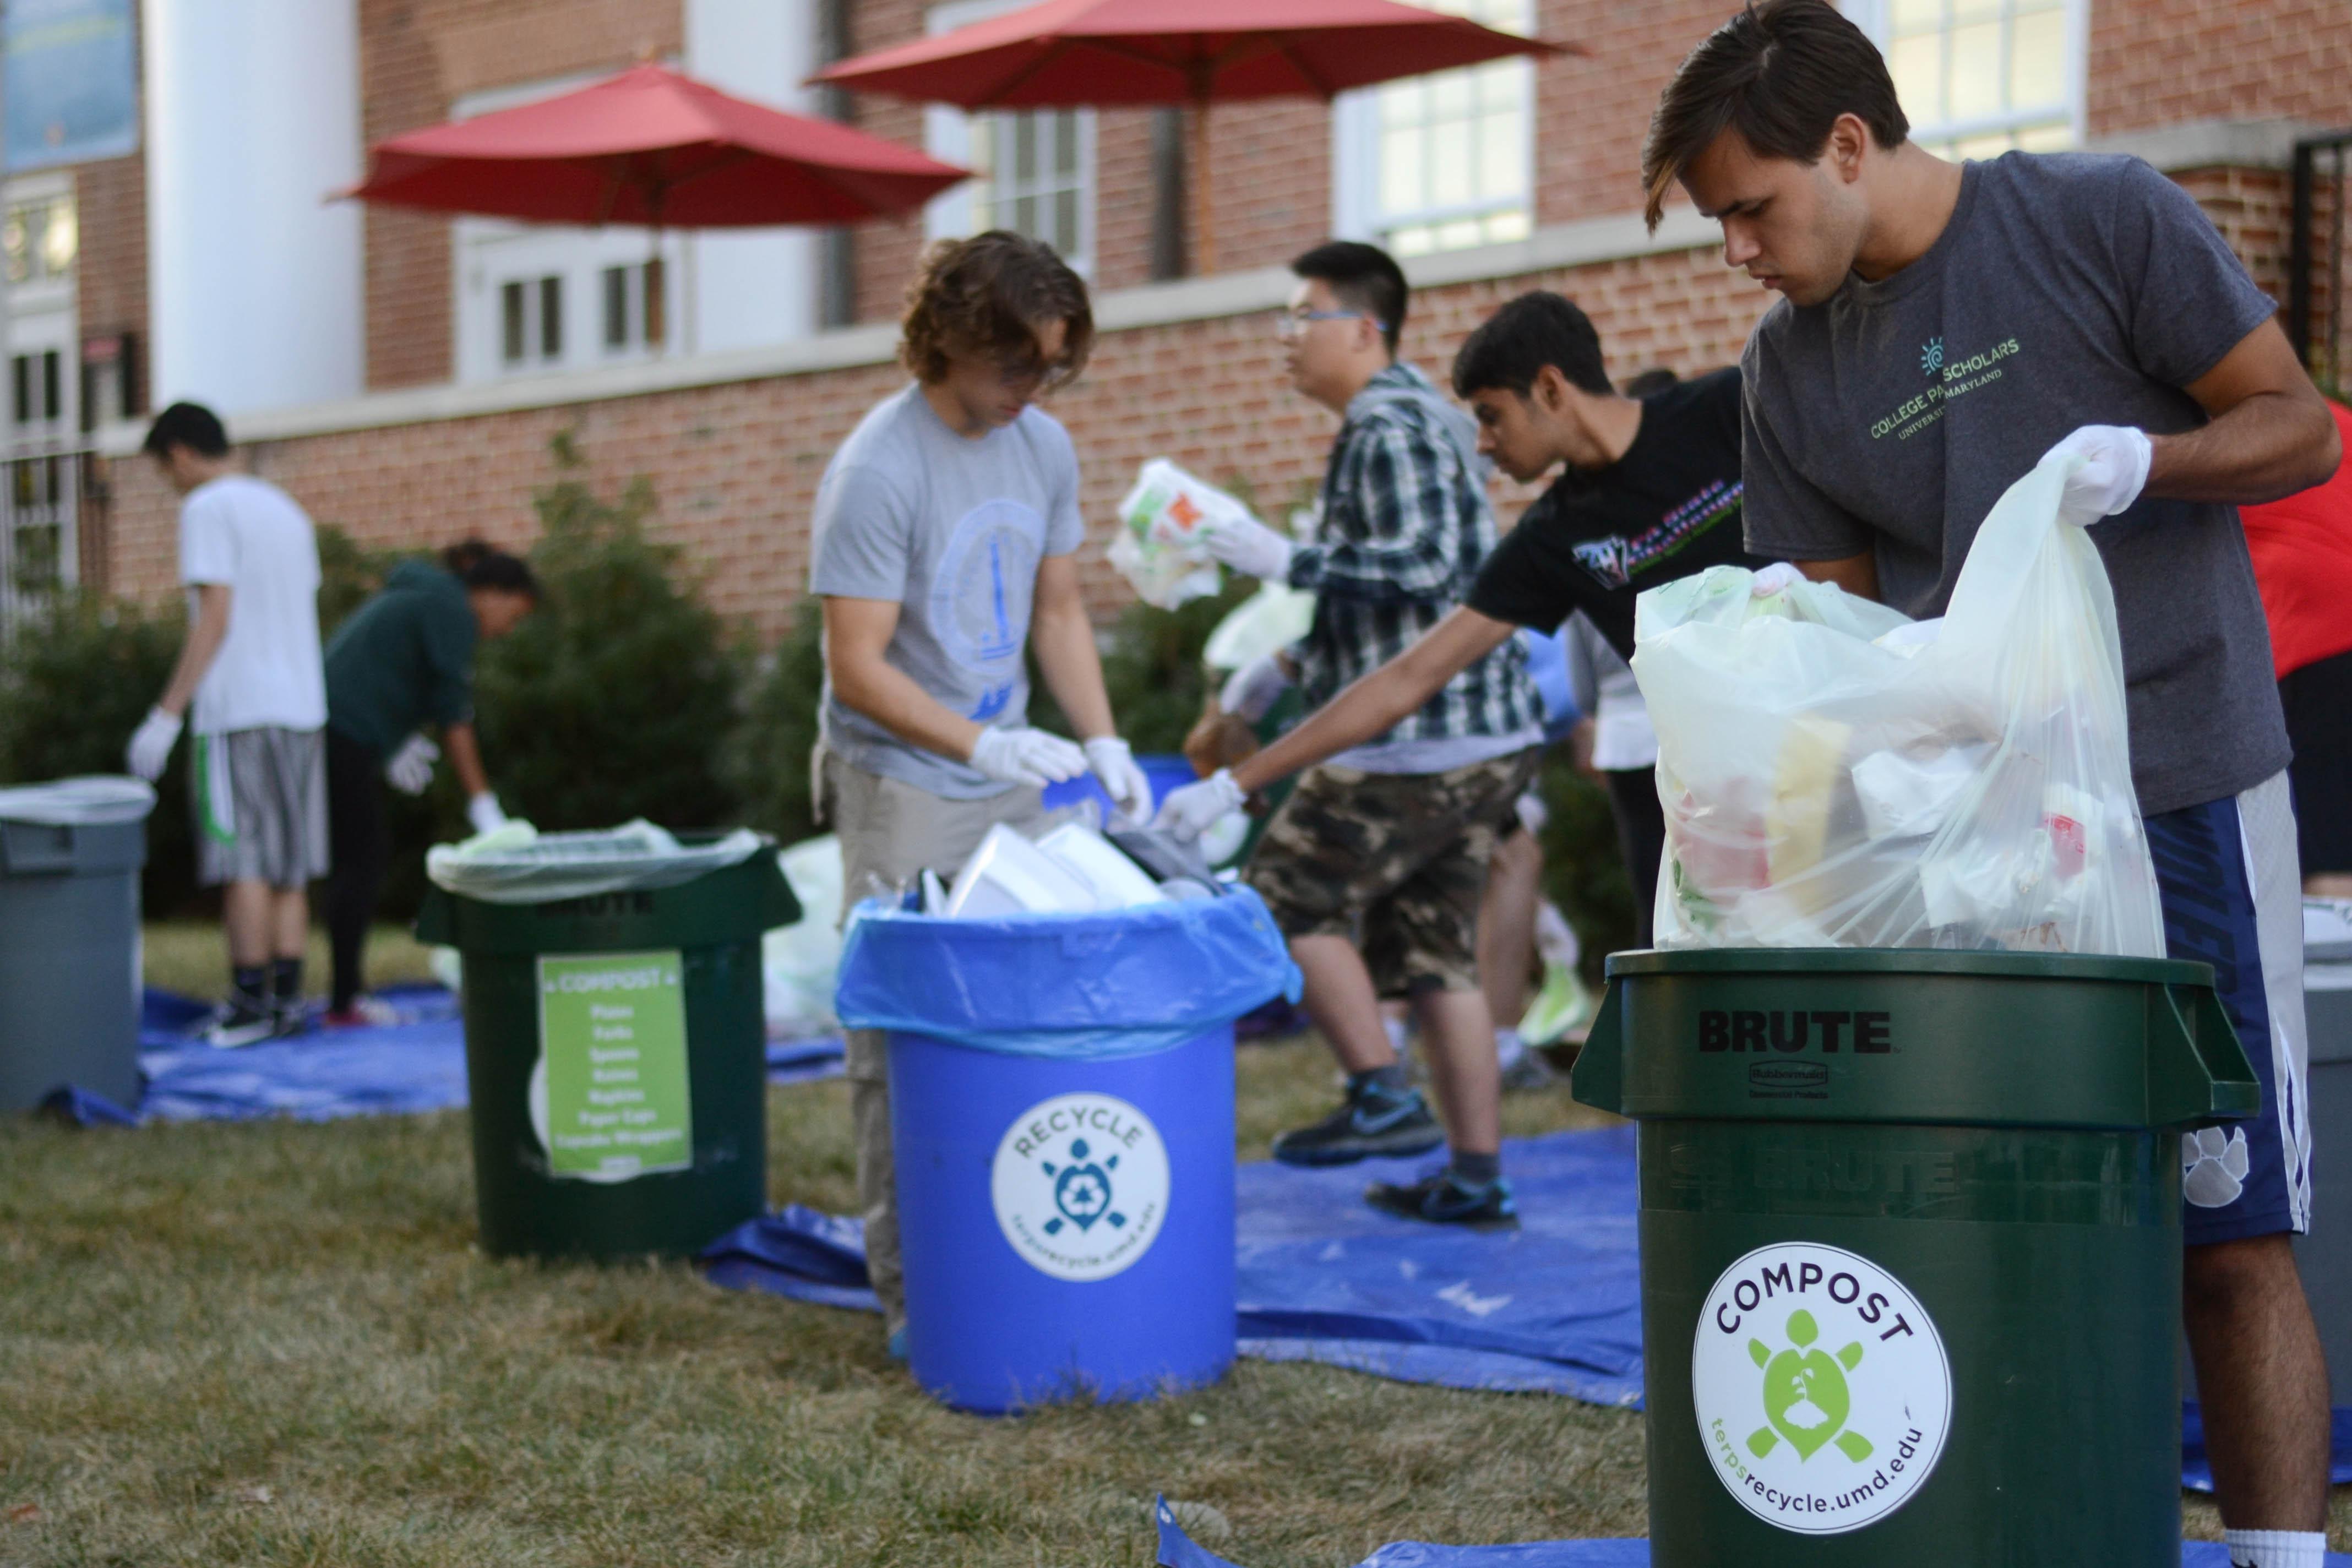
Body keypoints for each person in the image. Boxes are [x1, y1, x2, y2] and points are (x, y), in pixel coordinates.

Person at [1641, 4, 2340, 1562]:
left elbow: (2297, 428)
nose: (1740, 253)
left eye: (1752, 208)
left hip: (2180, 789)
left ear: (1847, 142)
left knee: (2230, 1224)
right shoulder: (1786, 373)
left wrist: (2145, 465)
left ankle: (2285, 1557)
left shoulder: (2096, 217)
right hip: (1977, 841)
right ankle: (2031, 1521)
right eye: (1720, 225)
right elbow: (1836, 637)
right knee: (2006, 1196)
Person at [1158, 290, 1758, 962]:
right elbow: (1408, 677)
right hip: (1709, 782)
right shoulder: (1554, 536)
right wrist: (1234, 782)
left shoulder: (1725, 410)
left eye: (1491, 415)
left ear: (1551, 388)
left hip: (1828, 734)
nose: (1483, 442)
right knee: (1697, 963)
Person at [811, 230, 1152, 1354]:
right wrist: (978, 743)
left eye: (1052, 367)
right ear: (949, 342)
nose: (1034, 390)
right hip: (903, 777)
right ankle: (917, 1298)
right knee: (901, 1033)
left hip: (1004, 764)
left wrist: (1102, 743)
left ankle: (1022, 1243)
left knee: (1038, 999)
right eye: (1016, 365)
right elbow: (855, 662)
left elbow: (1058, 610)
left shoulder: (1041, 445)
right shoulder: (878, 468)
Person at [1172, 240, 1546, 1229]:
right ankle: (1473, 1176)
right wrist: (1269, 673)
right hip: (1475, 737)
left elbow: (1429, 567)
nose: (1284, 339)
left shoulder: (1388, 421)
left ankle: (1381, 1097)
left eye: (1302, 316)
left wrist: (1282, 556)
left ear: (1363, 327)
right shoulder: (1398, 419)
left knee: (1282, 889)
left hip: (1423, 736)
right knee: (1435, 956)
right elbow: (1383, 609)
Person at [124, 401, 330, 1047]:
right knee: (289, 866)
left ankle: (247, 1004)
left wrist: (166, 714)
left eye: (166, 472)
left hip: (237, 711)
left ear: (180, 453)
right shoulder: (286, 512)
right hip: (302, 708)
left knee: (243, 859)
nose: (172, 486)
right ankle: (288, 1002)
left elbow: (215, 614)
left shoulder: (207, 509)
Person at [321, 540, 538, 1025]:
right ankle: (343, 1002)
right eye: (514, 615)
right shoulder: (451, 610)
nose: (506, 630)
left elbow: (397, 672)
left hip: (336, 728)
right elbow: (454, 715)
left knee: (358, 854)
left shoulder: (426, 599)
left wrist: (394, 739)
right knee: (361, 857)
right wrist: (482, 804)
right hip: (338, 731)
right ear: (494, 594)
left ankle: (340, 995)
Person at [2239, 396, 2352, 896]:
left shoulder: (2208, 434)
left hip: (2308, 634)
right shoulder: (2328, 417)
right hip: (2332, 626)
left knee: (2323, 840)